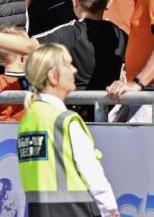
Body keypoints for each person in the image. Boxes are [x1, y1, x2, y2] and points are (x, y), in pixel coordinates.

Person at [18, 43, 119, 217]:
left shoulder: (28, 119)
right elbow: (91, 172)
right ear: (53, 76)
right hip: (74, 210)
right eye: (67, 65)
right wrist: (110, 210)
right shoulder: (64, 120)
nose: (74, 70)